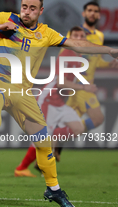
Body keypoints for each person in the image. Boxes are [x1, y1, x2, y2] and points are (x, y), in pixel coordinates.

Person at [0, 0, 118, 207]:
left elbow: (78, 46)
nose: (26, 11)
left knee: (43, 141)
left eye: (32, 8)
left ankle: (54, 189)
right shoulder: (9, 19)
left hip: (23, 93)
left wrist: (110, 50)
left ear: (41, 11)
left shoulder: (46, 33)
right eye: (24, 6)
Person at [14, 26, 97, 177]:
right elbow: (61, 83)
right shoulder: (66, 54)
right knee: (41, 138)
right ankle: (21, 168)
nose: (79, 39)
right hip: (48, 100)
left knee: (77, 128)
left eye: (81, 36)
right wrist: (85, 87)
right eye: (75, 36)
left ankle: (51, 144)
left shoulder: (79, 58)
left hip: (60, 103)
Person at [65, 1, 118, 137]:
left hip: (87, 86)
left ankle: (56, 141)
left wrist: (108, 64)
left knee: (67, 124)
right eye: (89, 10)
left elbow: (96, 60)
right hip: (76, 85)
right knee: (97, 118)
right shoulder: (75, 34)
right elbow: (65, 56)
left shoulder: (99, 36)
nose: (92, 13)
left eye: (95, 11)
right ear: (84, 13)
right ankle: (55, 141)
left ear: (99, 15)